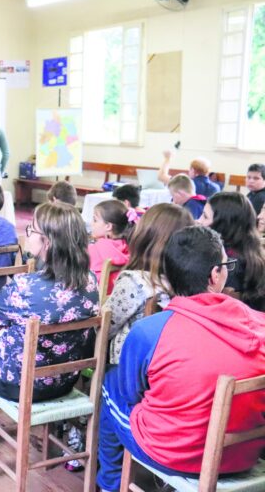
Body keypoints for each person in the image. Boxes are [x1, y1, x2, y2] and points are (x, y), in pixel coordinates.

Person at [96, 226, 265, 492]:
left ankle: (109, 484)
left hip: (173, 454)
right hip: (243, 455)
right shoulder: (258, 323)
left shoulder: (150, 331)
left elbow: (130, 393)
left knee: (109, 383)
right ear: (215, 275)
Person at [0, 202, 99, 454]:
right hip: (64, 381)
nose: (27, 233)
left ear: (48, 242)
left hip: (21, 385)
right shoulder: (90, 281)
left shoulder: (24, 286)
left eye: (31, 230)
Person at [104, 203, 194, 364]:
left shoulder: (134, 282)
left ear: (144, 236)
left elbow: (105, 328)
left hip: (127, 370)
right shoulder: (191, 281)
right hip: (168, 362)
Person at [197, 191, 265, 310]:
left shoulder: (230, 263)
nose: (198, 220)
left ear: (223, 223)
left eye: (205, 216)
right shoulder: (250, 248)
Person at [88, 200, 136, 296]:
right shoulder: (130, 246)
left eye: (95, 220)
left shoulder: (96, 249)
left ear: (108, 226)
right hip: (119, 297)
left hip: (94, 298)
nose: (91, 223)